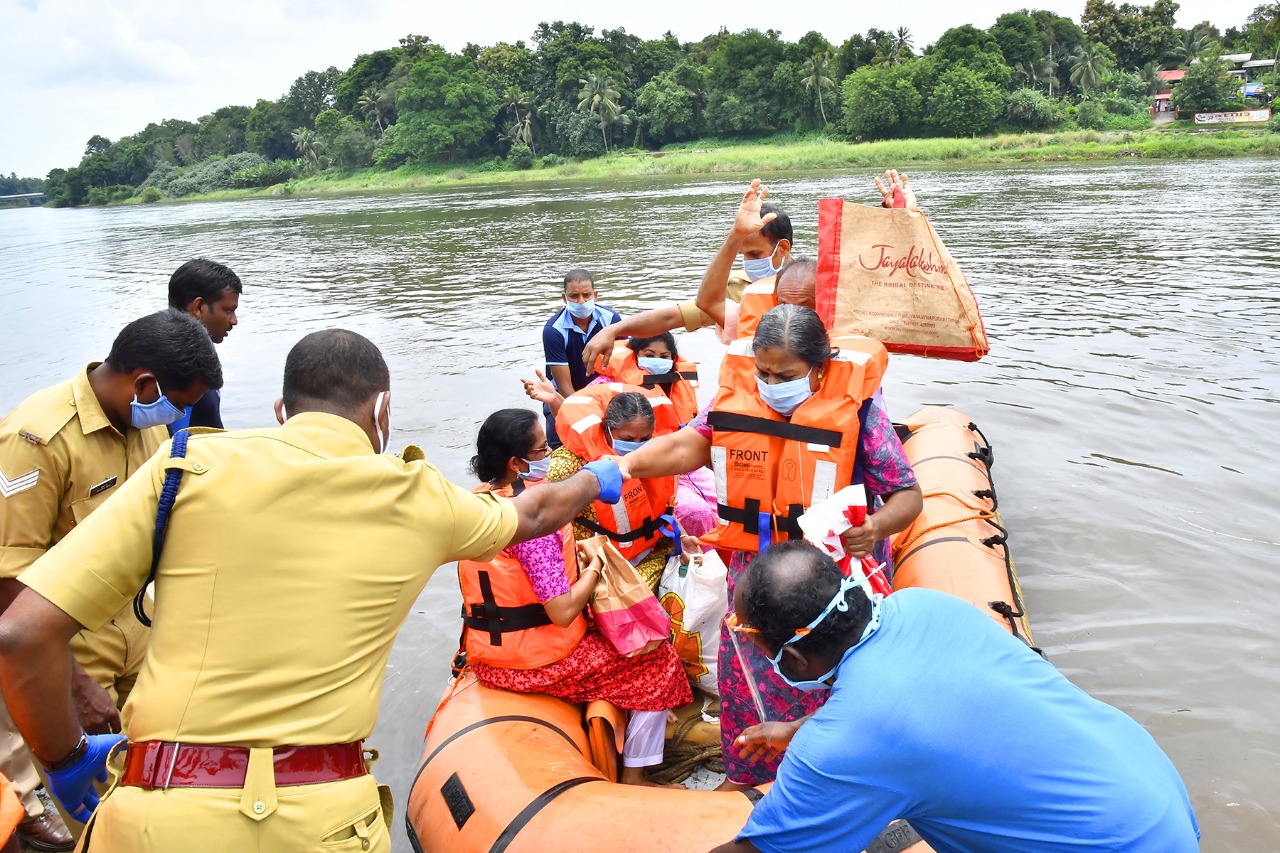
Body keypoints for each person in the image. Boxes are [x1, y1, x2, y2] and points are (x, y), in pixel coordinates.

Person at [0, 329, 625, 852]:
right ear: (382, 410)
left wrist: (64, 761)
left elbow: (22, 635)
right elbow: (536, 515)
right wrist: (601, 476)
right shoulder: (418, 496)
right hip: (321, 819)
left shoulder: (180, 468)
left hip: (153, 813)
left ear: (280, 408)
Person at [709, 542, 1201, 853]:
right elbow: (919, 709)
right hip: (1154, 802)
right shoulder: (924, 606)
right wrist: (797, 731)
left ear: (792, 660)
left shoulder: (842, 746)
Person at [617, 304, 922, 787]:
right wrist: (623, 468)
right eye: (763, 372)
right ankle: (744, 771)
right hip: (756, 567)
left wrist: (877, 527)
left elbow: (908, 494)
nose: (772, 383)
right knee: (743, 673)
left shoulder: (859, 413)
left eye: (787, 375)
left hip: (831, 581)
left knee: (830, 672)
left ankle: (831, 772)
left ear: (820, 368)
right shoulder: (736, 401)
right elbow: (682, 447)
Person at [0, 309, 221, 848]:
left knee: (159, 788)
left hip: (140, 632)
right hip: (68, 647)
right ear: (145, 384)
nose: (184, 414)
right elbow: (8, 580)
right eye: (182, 402)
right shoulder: (37, 438)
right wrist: (75, 685)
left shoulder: (150, 426)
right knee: (98, 815)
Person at [460, 408, 692, 785]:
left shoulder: (479, 504)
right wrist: (595, 568)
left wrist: (574, 555)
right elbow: (563, 612)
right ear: (517, 463)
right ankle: (635, 775)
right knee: (657, 655)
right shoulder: (534, 524)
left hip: (489, 653)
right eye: (541, 448)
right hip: (532, 663)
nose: (550, 452)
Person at [547, 386, 681, 591]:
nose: (637, 446)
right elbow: (561, 536)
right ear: (606, 430)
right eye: (627, 440)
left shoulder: (656, 456)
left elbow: (666, 507)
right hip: (599, 565)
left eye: (644, 439)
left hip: (653, 551)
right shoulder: (568, 467)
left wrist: (685, 537)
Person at [541, 269, 621, 448]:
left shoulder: (611, 320)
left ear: (596, 295)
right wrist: (588, 415)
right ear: (564, 297)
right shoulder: (553, 330)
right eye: (574, 296)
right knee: (562, 444)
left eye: (586, 295)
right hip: (565, 396)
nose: (581, 301)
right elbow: (564, 386)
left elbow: (623, 367)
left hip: (603, 394)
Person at [166, 259, 242, 431]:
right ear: (199, 307)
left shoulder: (195, 355)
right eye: (228, 310)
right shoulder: (183, 368)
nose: (234, 321)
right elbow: (175, 439)